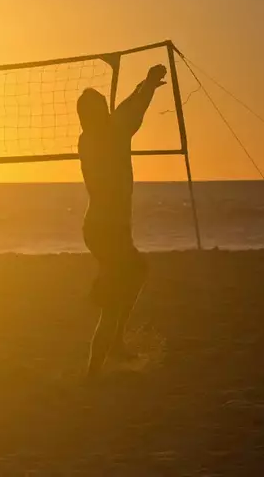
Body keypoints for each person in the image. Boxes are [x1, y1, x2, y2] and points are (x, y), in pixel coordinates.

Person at [77, 64, 168, 377]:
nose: (108, 110)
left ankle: (114, 343)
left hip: (100, 228)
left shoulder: (87, 139)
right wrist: (150, 83)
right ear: (97, 114)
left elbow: (128, 109)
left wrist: (146, 84)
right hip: (108, 230)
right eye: (103, 106)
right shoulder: (111, 133)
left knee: (135, 273)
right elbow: (132, 109)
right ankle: (95, 369)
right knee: (113, 300)